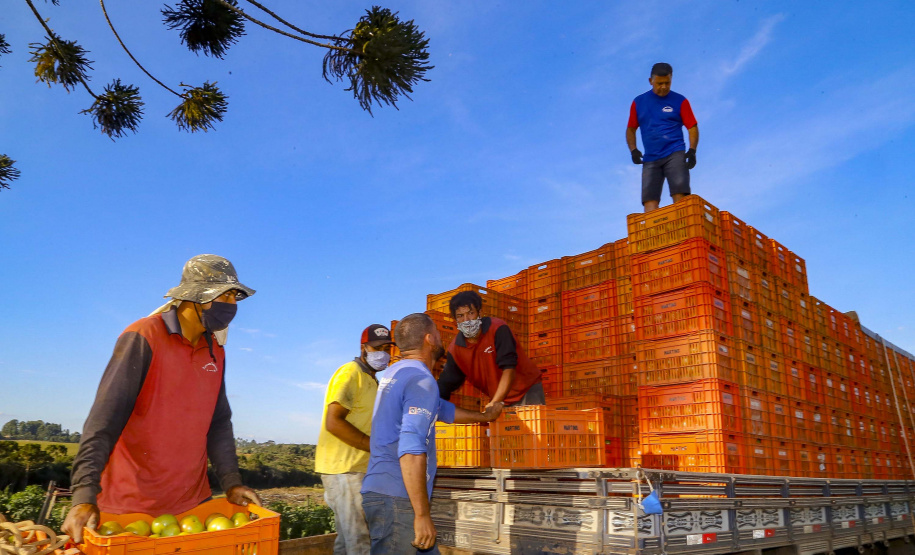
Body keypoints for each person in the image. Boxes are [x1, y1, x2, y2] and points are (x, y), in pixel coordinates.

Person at [63, 255, 261, 542]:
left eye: (233, 297)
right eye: (222, 295)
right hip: (130, 510)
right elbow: (103, 421)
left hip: (190, 506)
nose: (230, 305)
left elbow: (218, 423)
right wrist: (83, 494)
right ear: (193, 297)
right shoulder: (143, 336)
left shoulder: (216, 352)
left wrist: (231, 482)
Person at [361, 313, 502, 554]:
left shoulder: (396, 373)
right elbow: (411, 448)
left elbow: (441, 408)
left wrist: (484, 417)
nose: (441, 337)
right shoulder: (422, 380)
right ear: (429, 339)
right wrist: (422, 514)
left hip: (384, 491)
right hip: (398, 499)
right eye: (437, 332)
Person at [315, 324, 395, 555]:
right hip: (344, 469)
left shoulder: (371, 379)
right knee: (359, 542)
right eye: (377, 347)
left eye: (387, 347)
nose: (383, 353)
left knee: (347, 541)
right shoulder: (350, 373)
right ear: (364, 348)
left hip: (356, 469)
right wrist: (373, 446)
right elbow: (334, 421)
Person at [437, 291, 544, 409]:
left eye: (471, 313)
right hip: (499, 399)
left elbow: (509, 368)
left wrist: (495, 402)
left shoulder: (498, 329)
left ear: (480, 313)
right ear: (455, 320)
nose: (466, 320)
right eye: (460, 316)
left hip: (527, 390)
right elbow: (448, 382)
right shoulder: (456, 350)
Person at [626, 62, 700, 213]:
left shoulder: (680, 101)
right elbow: (631, 129)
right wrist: (633, 150)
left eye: (667, 83)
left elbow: (692, 127)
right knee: (649, 199)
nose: (664, 87)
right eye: (660, 83)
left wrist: (692, 150)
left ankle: (684, 230)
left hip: (675, 152)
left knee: (679, 192)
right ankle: (653, 235)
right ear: (651, 81)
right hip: (650, 158)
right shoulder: (638, 102)